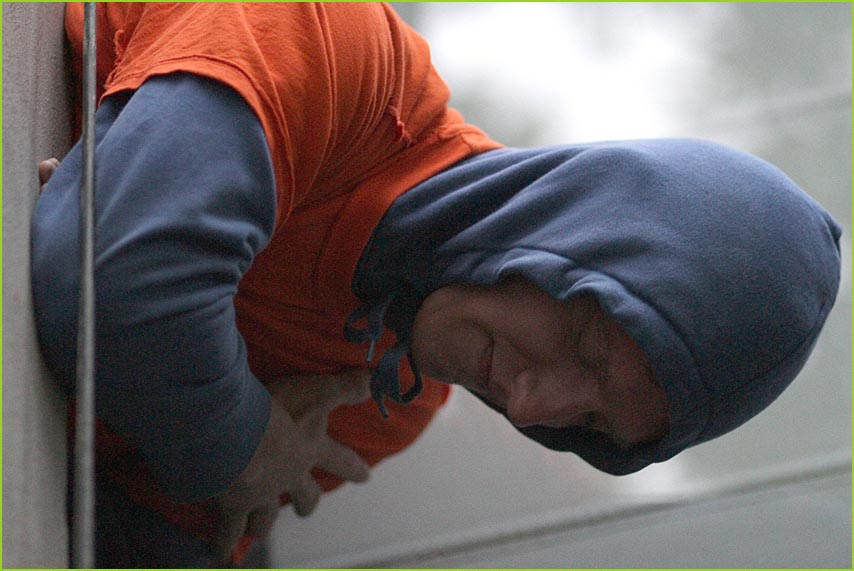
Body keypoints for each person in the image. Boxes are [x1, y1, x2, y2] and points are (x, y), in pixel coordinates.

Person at [30, 3, 841, 567]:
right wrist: (241, 440)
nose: (531, 406)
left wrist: (132, 238)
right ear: (578, 227)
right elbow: (108, 284)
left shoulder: (390, 401)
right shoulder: (338, 50)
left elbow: (144, 535)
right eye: (588, 349)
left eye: (591, 422)